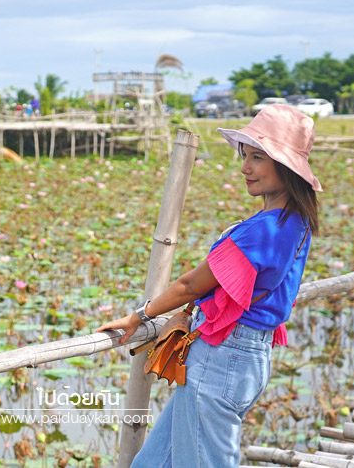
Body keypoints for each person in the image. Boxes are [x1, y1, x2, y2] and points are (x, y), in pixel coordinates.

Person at [97, 105, 322, 467]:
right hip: (247, 356)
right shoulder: (295, 222)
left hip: (223, 359)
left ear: (286, 167)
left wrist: (138, 317)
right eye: (245, 156)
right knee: (151, 463)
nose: (246, 168)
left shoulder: (261, 231)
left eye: (258, 158)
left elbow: (189, 286)